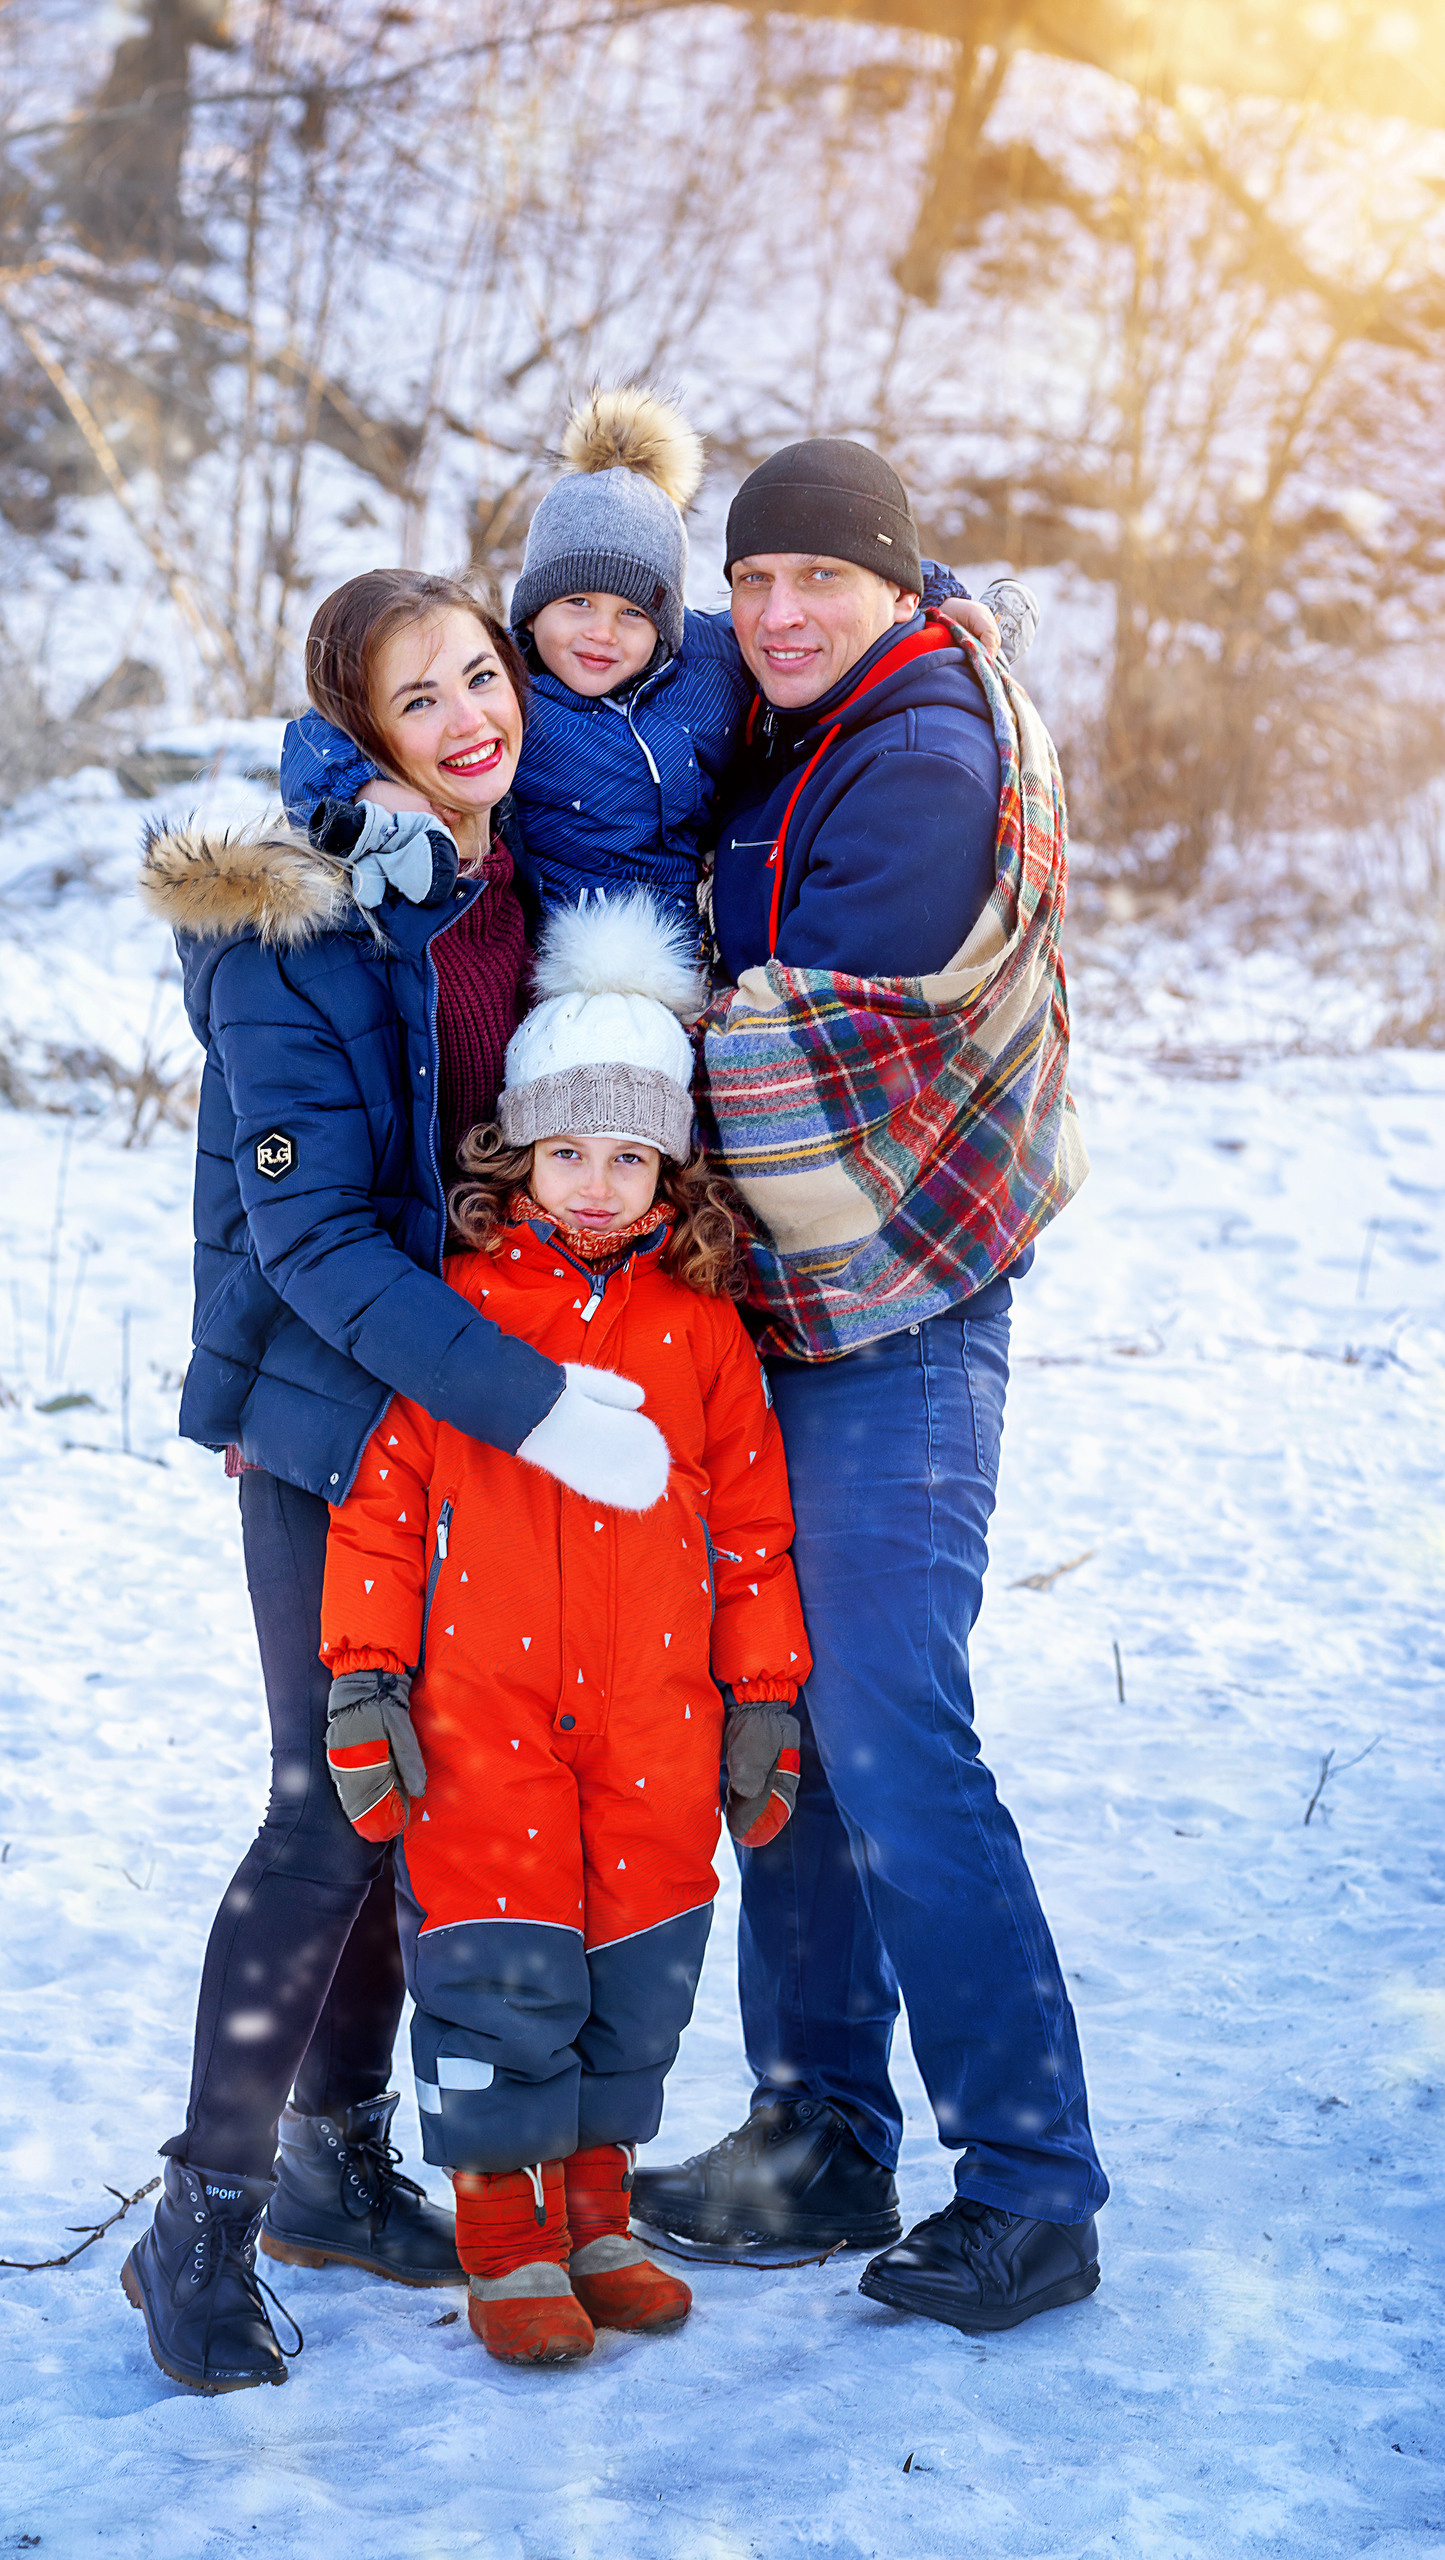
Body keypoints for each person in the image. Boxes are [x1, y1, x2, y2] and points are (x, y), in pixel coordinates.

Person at [127, 572, 675, 2396]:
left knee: (411, 1802)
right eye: (414, 700)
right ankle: (195, 2218)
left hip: (466, 1423)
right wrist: (531, 1402)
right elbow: (312, 1244)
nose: (466, 716)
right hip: (328, 1414)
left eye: (478, 674)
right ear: (356, 736)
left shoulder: (508, 878)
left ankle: (332, 2162)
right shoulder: (292, 924)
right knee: (327, 1806)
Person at [628, 438, 1109, 2337]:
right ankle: (821, 2128)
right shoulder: (794, 716)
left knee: (891, 1724)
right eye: (748, 584)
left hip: (898, 1307)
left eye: (816, 580)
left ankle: (1032, 2188)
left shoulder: (913, 755)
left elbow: (802, 1050)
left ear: (898, 587)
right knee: (789, 1719)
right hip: (787, 1310)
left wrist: (607, 1029)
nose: (773, 615)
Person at [316, 891, 812, 2366]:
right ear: (519, 1150)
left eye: (628, 1153)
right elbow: (382, 1509)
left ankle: (594, 2212)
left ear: (668, 1162)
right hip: (485, 1716)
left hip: (660, 1724)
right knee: (496, 1967)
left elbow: (751, 1533)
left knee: (636, 1967)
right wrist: (364, 1682)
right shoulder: (459, 1319)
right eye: (568, 1150)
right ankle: (503, 2234)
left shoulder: (705, 1334)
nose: (597, 1183)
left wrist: (764, 1698)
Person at [278, 388, 1026, 933]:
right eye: (575, 605)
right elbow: (329, 729)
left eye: (632, 613)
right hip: (558, 954)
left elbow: (840, 582)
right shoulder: (505, 693)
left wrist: (936, 598)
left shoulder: (713, 661)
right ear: (531, 611)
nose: (601, 634)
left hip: (686, 950)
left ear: (665, 621)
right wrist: (370, 793)